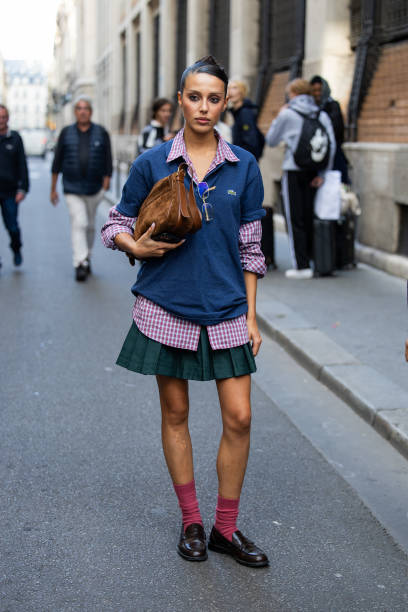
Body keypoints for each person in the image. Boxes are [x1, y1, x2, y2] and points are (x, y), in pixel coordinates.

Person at [101, 56, 269, 567]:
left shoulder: (244, 164)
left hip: (226, 309)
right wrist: (136, 246)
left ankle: (225, 527)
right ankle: (193, 520)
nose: (203, 106)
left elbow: (251, 247)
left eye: (213, 98)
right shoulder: (154, 162)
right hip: (165, 306)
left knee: (239, 417)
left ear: (224, 102)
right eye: (194, 97)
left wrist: (252, 317)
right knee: (176, 413)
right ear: (180, 100)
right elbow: (114, 223)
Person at [266, 78, 336, 279]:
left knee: (294, 217)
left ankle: (301, 265)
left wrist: (279, 116)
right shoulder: (321, 114)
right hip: (315, 172)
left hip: (294, 168)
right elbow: (330, 145)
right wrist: (323, 174)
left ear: (293, 93)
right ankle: (318, 260)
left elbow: (271, 140)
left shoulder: (288, 113)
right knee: (310, 215)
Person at [50, 96, 112, 281]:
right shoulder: (66, 133)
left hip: (94, 188)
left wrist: (107, 179)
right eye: (79, 108)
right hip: (72, 187)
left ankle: (87, 256)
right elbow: (57, 161)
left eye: (86, 108)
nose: (83, 111)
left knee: (91, 226)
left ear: (90, 112)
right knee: (80, 223)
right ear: (75, 112)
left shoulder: (101, 132)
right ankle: (80, 263)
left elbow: (108, 158)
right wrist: (53, 188)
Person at [0, 104, 29, 269]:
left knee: (12, 226)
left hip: (10, 191)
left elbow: (22, 165)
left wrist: (22, 188)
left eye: (3, 117)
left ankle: (16, 248)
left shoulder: (15, 138)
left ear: (8, 118)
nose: (1, 120)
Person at [310, 75, 350, 184]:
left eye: (319, 90)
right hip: (315, 155)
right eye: (314, 90)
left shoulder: (332, 106)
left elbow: (336, 131)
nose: (317, 94)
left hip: (333, 155)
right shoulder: (309, 108)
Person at [228, 80, 265, 161]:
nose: (230, 91)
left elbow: (250, 140)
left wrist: (242, 161)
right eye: (229, 88)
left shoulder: (245, 113)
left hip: (245, 160)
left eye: (234, 88)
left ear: (242, 92)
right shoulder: (237, 112)